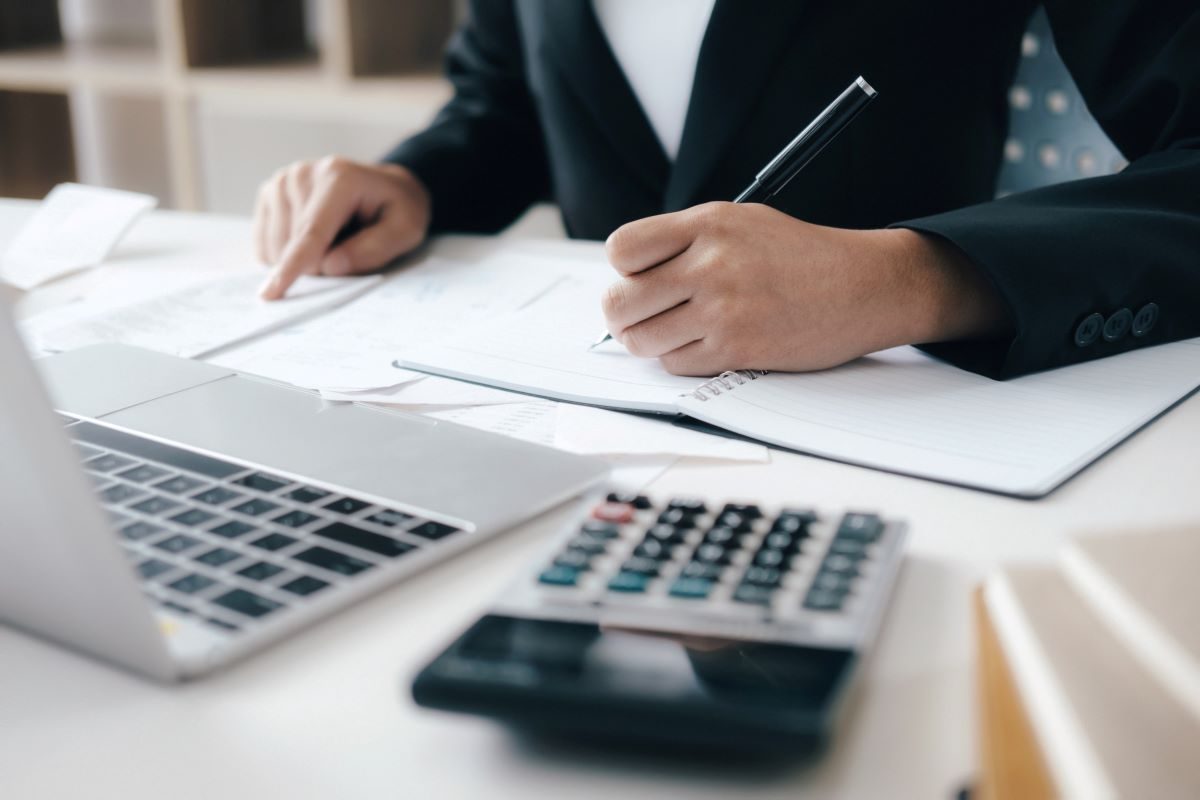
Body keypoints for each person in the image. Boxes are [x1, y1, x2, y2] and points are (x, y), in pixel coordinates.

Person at [253, 0, 1200, 379]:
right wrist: (417, 180)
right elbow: (511, 100)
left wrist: (914, 281)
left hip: (900, 435)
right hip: (580, 430)